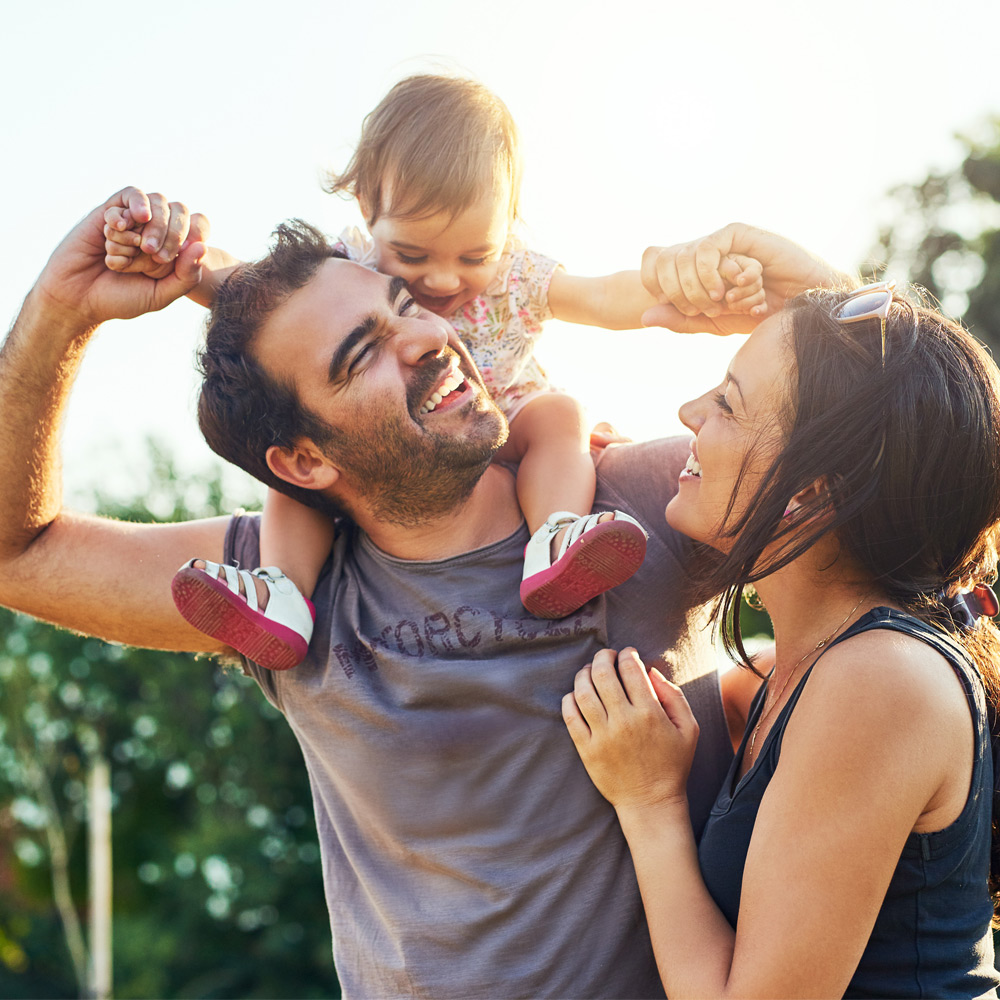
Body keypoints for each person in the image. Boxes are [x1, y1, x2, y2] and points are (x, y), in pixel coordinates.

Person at [0, 187, 759, 998]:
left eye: (408, 307)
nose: (432, 339)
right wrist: (60, 309)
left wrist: (788, 285)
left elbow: (878, 457)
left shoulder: (642, 502)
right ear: (301, 463)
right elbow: (18, 554)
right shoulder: (279, 593)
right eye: (363, 353)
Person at [104, 75, 766, 669]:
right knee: (306, 471)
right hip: (398, 442)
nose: (444, 280)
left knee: (560, 415)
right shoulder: (348, 271)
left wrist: (684, 287)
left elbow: (602, 296)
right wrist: (174, 256)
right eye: (413, 254)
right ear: (367, 206)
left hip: (500, 423)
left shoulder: (517, 275)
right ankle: (282, 592)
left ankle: (556, 536)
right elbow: (240, 284)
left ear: (508, 226)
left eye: (474, 254)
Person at [564, 236, 1000, 997]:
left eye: (727, 403)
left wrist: (651, 802)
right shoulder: (803, 673)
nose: (688, 412)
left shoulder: (880, 681)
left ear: (815, 492)